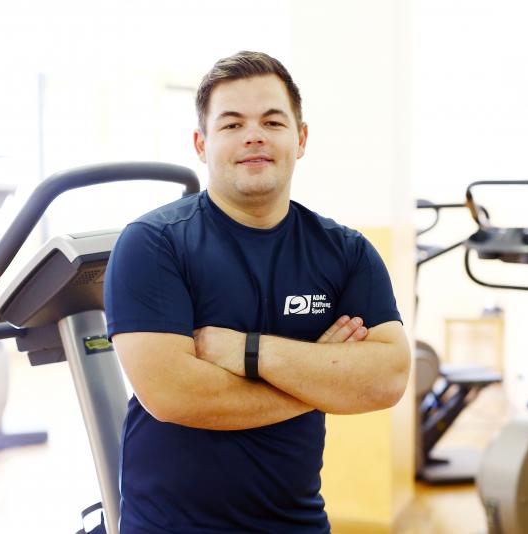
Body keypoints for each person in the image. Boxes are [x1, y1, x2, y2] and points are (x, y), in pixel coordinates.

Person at [104, 51, 410, 533]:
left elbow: (388, 377)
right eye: (231, 124)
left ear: (300, 138)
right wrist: (321, 379)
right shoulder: (153, 243)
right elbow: (173, 395)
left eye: (272, 121)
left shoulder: (345, 252)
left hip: (298, 523)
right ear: (201, 143)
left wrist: (247, 351)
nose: (254, 136)